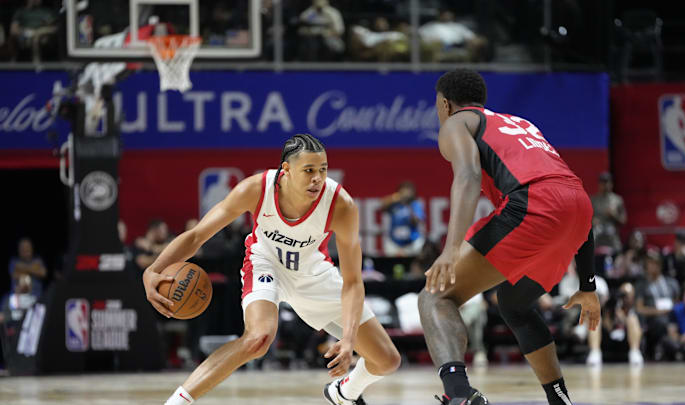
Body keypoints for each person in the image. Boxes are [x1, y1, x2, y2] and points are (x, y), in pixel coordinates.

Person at [142, 134, 400, 405]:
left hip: (312, 273)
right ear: (285, 170)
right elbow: (196, 236)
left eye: (322, 170)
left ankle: (342, 393)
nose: (317, 178)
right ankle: (177, 402)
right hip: (265, 263)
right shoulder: (256, 189)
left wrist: (347, 340)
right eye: (309, 170)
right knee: (258, 338)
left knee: (387, 360)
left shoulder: (341, 205)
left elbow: (353, 282)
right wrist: (153, 270)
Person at [418, 69, 600, 405]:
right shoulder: (520, 124)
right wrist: (587, 286)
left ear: (444, 103)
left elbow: (469, 177)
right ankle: (560, 399)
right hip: (579, 206)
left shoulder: (457, 123)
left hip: (534, 205)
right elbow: (573, 202)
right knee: (514, 304)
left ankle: (459, 395)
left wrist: (451, 249)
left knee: (435, 296)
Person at [381, 181, 426, 257]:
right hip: (394, 242)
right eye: (403, 191)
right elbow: (382, 206)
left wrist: (409, 206)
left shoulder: (415, 205)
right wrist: (396, 197)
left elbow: (417, 221)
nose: (406, 194)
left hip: (412, 243)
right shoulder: (394, 204)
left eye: (409, 191)